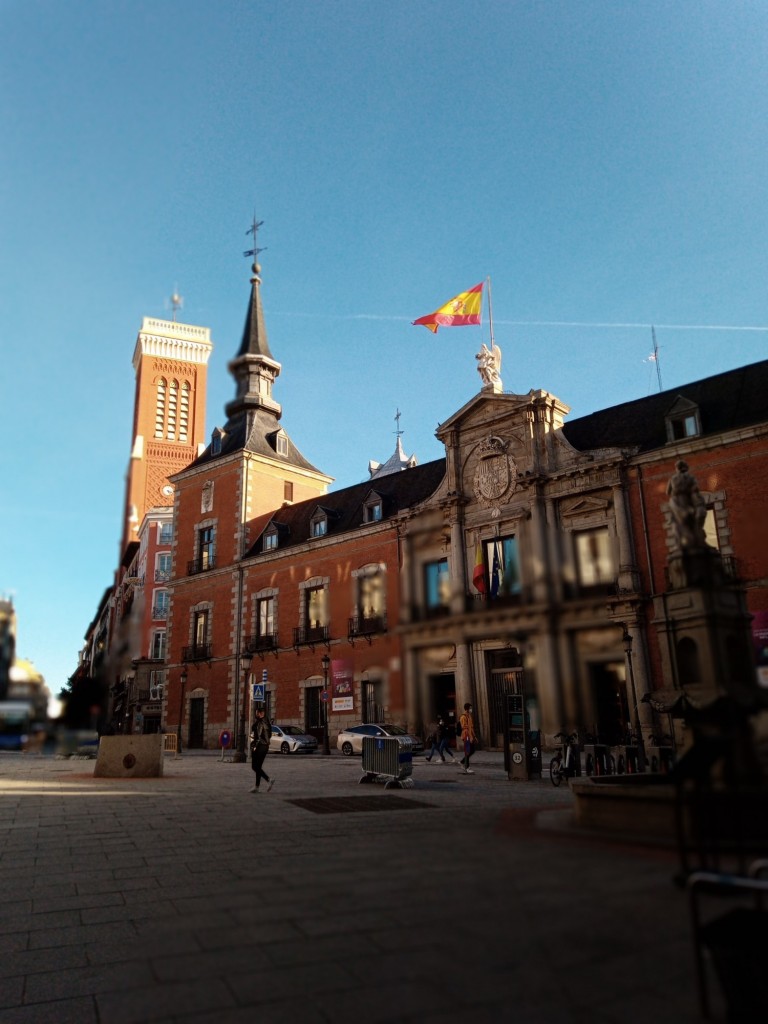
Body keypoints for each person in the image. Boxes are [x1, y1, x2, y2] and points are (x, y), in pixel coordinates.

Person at [249, 705, 275, 792]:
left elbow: (264, 735)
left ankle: (269, 780)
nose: (256, 714)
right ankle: (257, 787)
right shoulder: (263, 722)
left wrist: (260, 741)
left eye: (257, 713)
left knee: (255, 766)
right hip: (261, 746)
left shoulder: (263, 722)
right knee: (258, 767)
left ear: (261, 713)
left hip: (260, 746)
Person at [458, 702, 477, 774]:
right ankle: (467, 767)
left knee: (472, 750)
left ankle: (462, 762)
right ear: (467, 709)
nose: (471, 709)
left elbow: (471, 727)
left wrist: (474, 736)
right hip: (466, 735)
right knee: (468, 751)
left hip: (470, 736)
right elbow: (465, 728)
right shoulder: (463, 717)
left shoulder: (469, 716)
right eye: (470, 708)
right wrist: (470, 737)